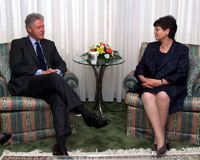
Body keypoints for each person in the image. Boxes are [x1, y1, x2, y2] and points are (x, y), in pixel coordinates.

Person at [8, 13, 110, 156]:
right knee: (53, 78)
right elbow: (16, 68)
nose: (43, 29)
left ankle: (60, 145)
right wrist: (40, 72)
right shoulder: (18, 43)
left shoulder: (49, 44)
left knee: (58, 98)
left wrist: (56, 70)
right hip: (26, 84)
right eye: (39, 27)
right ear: (29, 29)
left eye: (43, 26)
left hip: (47, 85)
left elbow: (61, 63)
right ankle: (86, 114)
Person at [129, 15, 189, 155]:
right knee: (147, 97)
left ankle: (157, 139)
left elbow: (181, 74)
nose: (154, 32)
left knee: (162, 95)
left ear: (167, 31)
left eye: (157, 29)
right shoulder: (151, 47)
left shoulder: (181, 50)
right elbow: (140, 68)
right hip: (149, 84)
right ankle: (161, 138)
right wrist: (144, 80)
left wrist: (160, 82)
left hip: (170, 85)